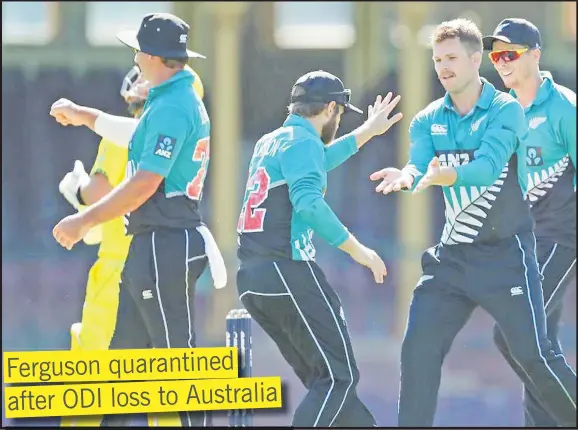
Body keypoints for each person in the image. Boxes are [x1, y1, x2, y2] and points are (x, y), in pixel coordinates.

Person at [369, 18, 576, 427]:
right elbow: (416, 164)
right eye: (436, 60)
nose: (442, 67)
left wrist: (446, 174)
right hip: (452, 259)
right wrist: (408, 177)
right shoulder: (427, 119)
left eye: (451, 58)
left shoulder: (507, 110)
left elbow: (487, 167)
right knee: (417, 350)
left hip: (507, 257)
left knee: (534, 356)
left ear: (474, 60)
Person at [50, 13, 226, 427]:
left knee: (174, 367)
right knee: (123, 366)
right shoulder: (170, 100)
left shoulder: (174, 106)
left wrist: (82, 219)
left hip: (166, 241)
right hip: (150, 245)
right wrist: (84, 114)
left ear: (150, 56)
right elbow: (130, 134)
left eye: (138, 50)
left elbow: (145, 183)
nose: (135, 57)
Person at [236, 70, 403, 427]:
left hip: (253, 278)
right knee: (339, 378)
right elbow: (309, 205)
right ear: (330, 108)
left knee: (326, 382)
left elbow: (320, 160)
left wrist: (367, 132)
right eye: (340, 115)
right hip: (287, 271)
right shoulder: (303, 143)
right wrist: (360, 252)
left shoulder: (274, 141)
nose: (339, 123)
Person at [483, 18, 577, 427]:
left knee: (512, 332)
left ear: (535, 55)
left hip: (563, 237)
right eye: (495, 55)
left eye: (510, 54)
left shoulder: (564, 108)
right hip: (528, 242)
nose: (500, 63)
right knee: (540, 343)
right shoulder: (504, 112)